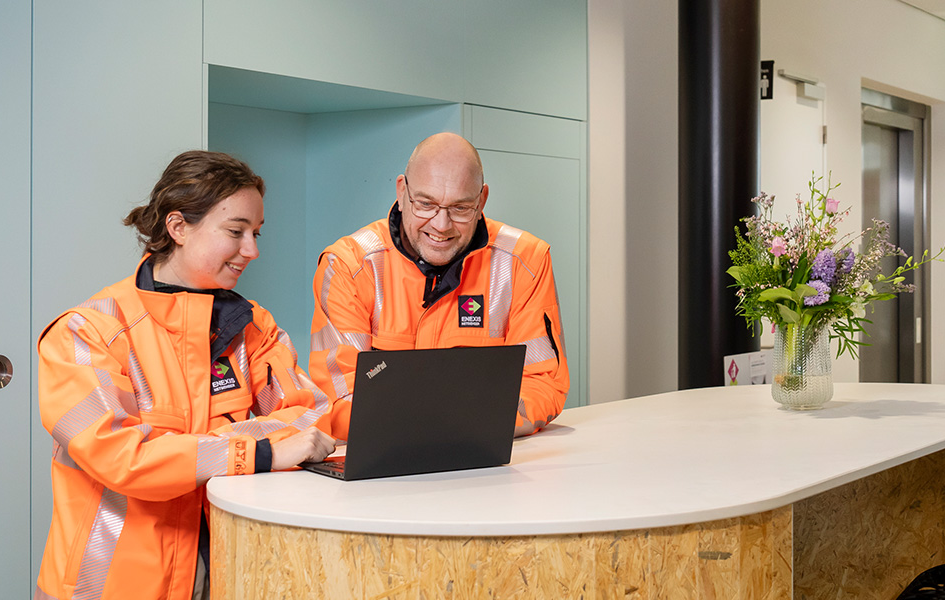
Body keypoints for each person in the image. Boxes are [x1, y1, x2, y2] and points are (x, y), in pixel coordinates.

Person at [35, 151, 350, 600]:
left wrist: (186, 451)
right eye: (236, 231)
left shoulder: (253, 327)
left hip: (220, 576)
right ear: (178, 227)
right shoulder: (86, 333)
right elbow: (124, 459)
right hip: (108, 589)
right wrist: (257, 451)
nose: (252, 251)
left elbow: (310, 420)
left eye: (256, 233)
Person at [310, 133, 568, 437]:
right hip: (386, 457)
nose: (441, 225)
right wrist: (437, 425)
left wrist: (465, 425)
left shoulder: (526, 261)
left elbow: (542, 384)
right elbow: (339, 396)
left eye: (460, 208)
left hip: (484, 449)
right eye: (426, 204)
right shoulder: (348, 266)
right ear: (402, 192)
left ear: (482, 201)